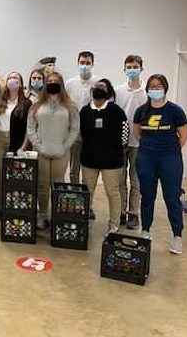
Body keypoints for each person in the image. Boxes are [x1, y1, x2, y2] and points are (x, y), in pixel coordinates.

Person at [134, 74, 187, 255]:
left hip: (170, 159)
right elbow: (137, 133)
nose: (155, 90)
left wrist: (169, 151)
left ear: (165, 88)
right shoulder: (141, 111)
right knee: (147, 196)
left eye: (158, 86)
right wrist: (150, 148)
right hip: (146, 158)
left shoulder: (175, 111)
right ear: (147, 89)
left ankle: (177, 236)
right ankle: (146, 230)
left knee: (172, 197)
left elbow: (184, 135)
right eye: (152, 86)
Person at [27, 72, 79, 229]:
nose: (52, 83)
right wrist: (38, 145)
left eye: (56, 81)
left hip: (61, 153)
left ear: (61, 84)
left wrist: (65, 146)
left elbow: (75, 129)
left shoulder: (70, 106)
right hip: (42, 152)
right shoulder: (37, 104)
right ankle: (43, 215)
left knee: (58, 185)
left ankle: (57, 216)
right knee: (42, 185)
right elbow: (31, 128)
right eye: (49, 81)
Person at [80, 79, 129, 236]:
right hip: (89, 159)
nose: (98, 92)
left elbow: (125, 132)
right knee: (88, 191)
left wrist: (118, 149)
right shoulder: (85, 111)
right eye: (96, 88)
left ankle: (114, 224)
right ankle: (85, 219)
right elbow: (81, 132)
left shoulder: (116, 111)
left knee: (112, 191)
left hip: (112, 160)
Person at [0, 71, 32, 219]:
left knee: (15, 175)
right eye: (10, 78)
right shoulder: (0, 100)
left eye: (16, 78)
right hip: (0, 138)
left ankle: (14, 206)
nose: (13, 80)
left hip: (17, 141)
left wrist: (24, 147)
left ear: (21, 83)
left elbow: (29, 128)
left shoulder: (26, 103)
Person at [115, 55, 148, 229]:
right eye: (129, 66)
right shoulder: (118, 90)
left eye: (135, 66)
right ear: (124, 69)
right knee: (120, 180)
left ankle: (133, 214)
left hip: (140, 143)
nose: (132, 69)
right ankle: (120, 212)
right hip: (120, 142)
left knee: (136, 180)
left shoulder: (147, 91)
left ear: (141, 68)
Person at [65, 51, 100, 217]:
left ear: (93, 63)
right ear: (77, 62)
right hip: (74, 132)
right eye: (82, 62)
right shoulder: (70, 83)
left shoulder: (98, 83)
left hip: (92, 134)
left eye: (88, 62)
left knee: (89, 172)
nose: (84, 65)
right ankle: (74, 201)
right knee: (74, 170)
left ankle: (88, 204)